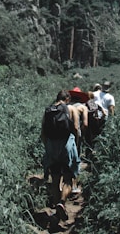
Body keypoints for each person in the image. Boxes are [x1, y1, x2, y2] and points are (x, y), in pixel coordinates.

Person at [41, 90, 80, 221]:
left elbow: (43, 133)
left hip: (52, 145)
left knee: (55, 178)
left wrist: (48, 147)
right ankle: (61, 203)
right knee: (68, 177)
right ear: (67, 98)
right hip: (66, 144)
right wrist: (76, 145)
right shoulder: (71, 108)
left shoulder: (48, 111)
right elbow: (76, 128)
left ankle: (57, 213)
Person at [68, 87, 89, 193]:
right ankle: (74, 185)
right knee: (76, 158)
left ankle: (64, 183)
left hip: (64, 134)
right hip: (76, 134)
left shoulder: (67, 106)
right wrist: (82, 133)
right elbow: (85, 124)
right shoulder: (82, 107)